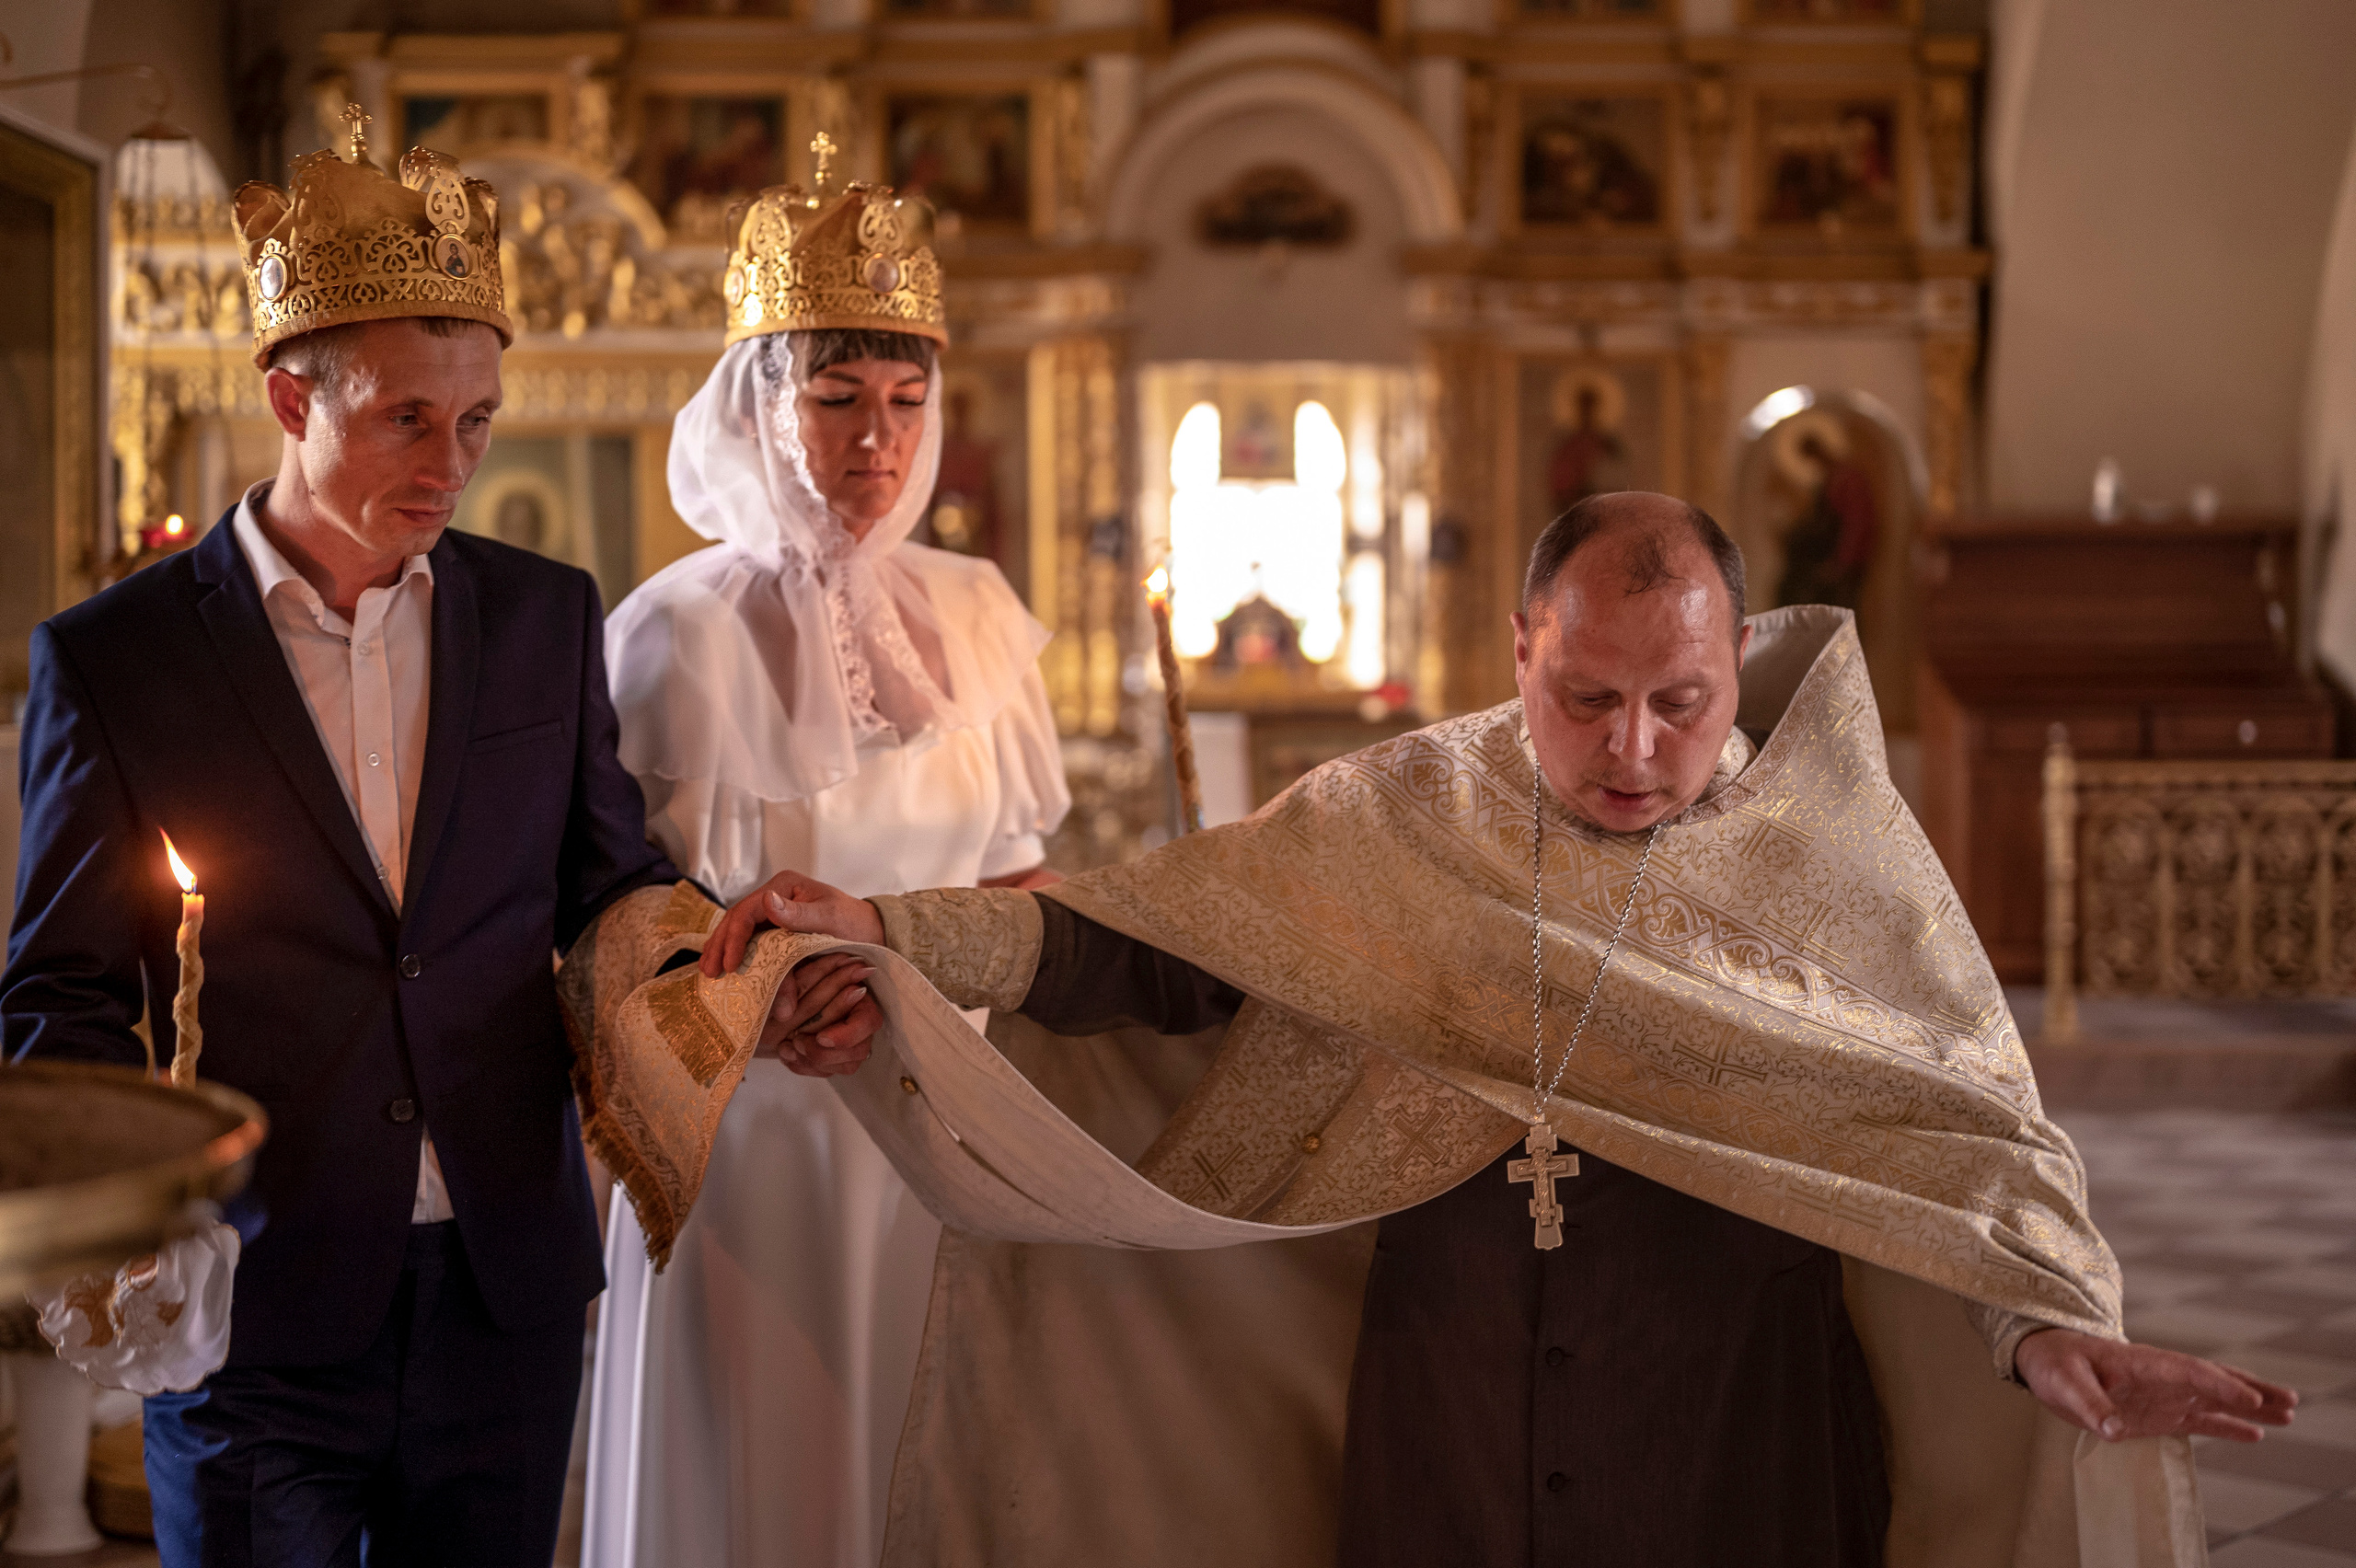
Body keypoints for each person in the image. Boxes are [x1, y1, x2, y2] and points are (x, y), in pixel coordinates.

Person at [657, 491, 2297, 1565]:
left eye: (1682, 701)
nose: (1634, 747)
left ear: (1737, 669)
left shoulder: (1834, 868)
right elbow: (1161, 942)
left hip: (1736, 1444)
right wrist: (895, 928)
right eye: (1585, 696)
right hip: (1444, 1434)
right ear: (1520, 651)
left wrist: (2038, 1325)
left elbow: (1956, 1135)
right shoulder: (1401, 815)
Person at [3, 121, 873, 1567]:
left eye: (476, 423)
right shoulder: (120, 660)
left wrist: (749, 971)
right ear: (293, 397)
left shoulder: (538, 616)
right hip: (256, 1303)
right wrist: (132, 1230)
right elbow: (60, 996)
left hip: (501, 1288)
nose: (452, 462)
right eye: (407, 417)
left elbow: (612, 889)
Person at [583, 154, 1068, 1568]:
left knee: (932, 1458)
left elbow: (1022, 874)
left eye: (911, 403)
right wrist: (771, 998)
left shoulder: (979, 614)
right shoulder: (675, 635)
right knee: (773, 1461)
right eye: (838, 398)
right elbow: (625, 922)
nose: (881, 443)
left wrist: (936, 968)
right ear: (757, 405)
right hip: (761, 1123)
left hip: (949, 1111)